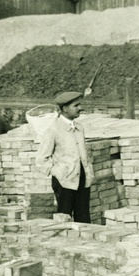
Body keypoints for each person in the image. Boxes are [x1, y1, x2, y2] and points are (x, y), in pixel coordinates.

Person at [39, 89, 93, 223]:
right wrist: (58, 171)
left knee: (83, 218)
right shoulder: (53, 129)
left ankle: (83, 244)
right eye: (76, 106)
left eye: (79, 105)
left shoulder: (79, 128)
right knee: (64, 219)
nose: (80, 108)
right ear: (65, 109)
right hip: (64, 182)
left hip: (82, 178)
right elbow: (41, 159)